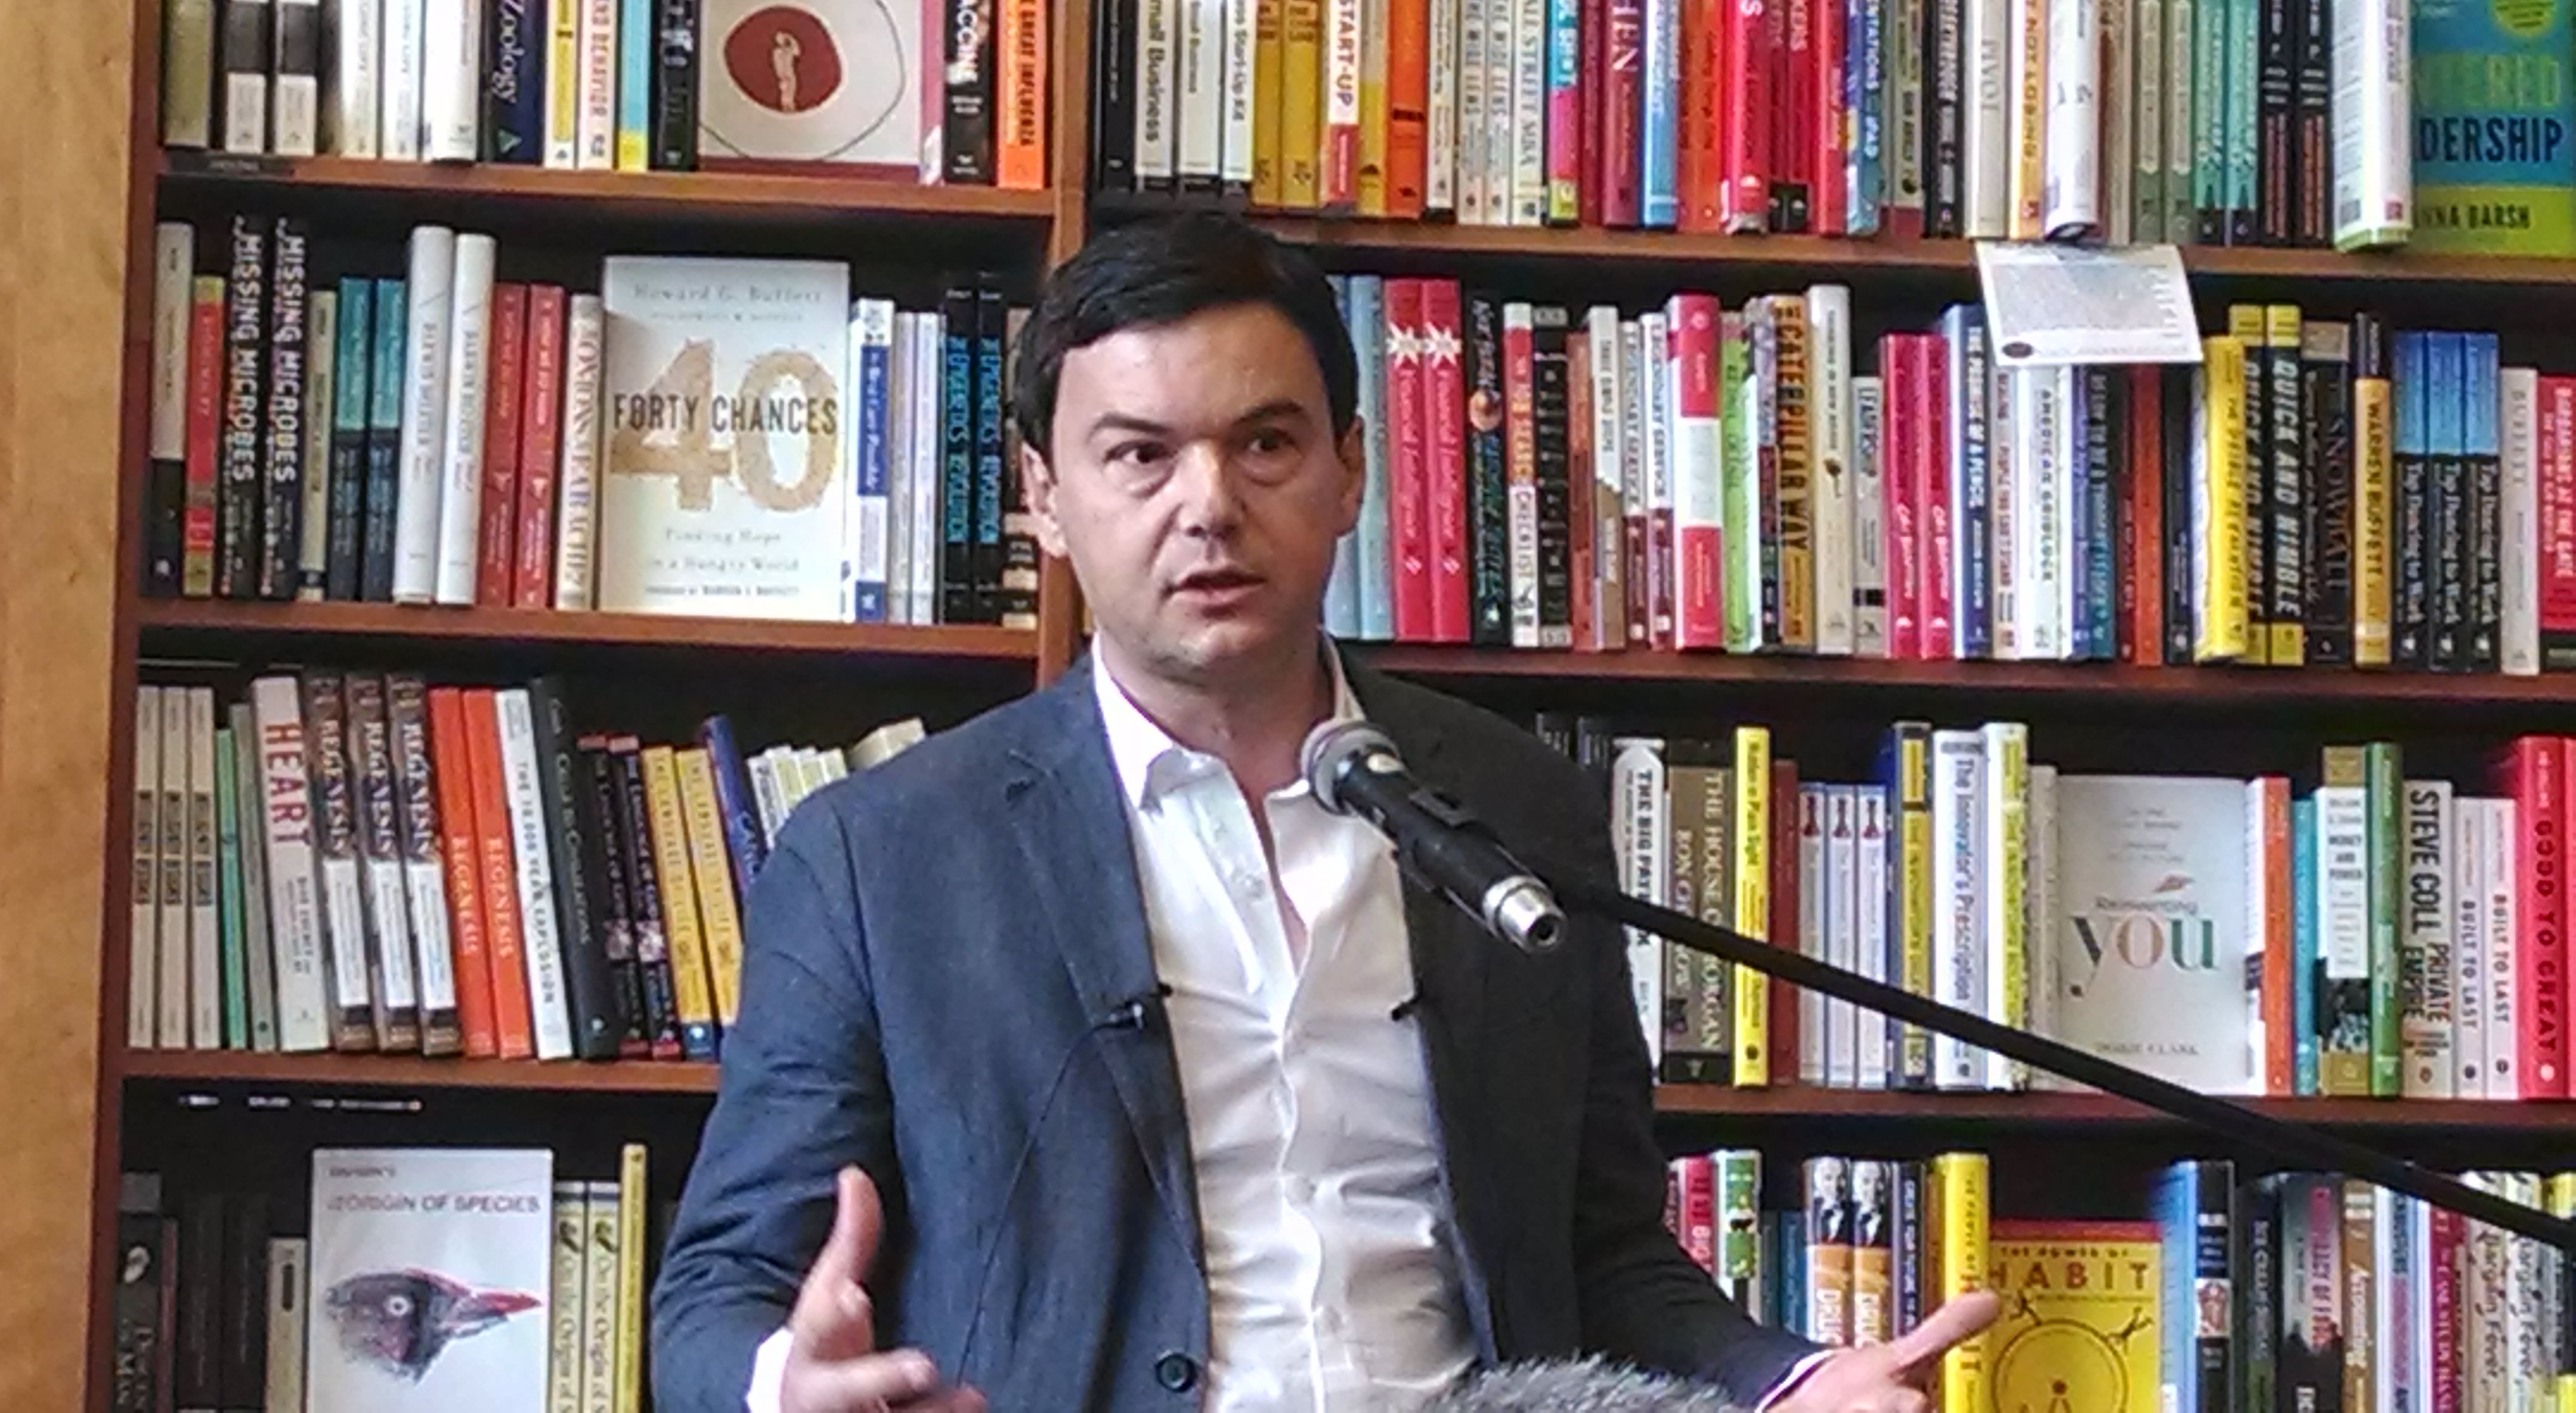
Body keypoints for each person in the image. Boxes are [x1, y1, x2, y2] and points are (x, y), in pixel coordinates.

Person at [646, 213, 2000, 1412]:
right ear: (1045, 501)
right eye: (1140, 455)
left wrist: (1786, 1384)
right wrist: (785, 1382)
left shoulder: (1514, 808)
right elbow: (719, 1289)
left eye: (1266, 443)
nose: (1210, 506)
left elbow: (1602, 1252)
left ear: (1350, 471)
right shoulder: (882, 856)